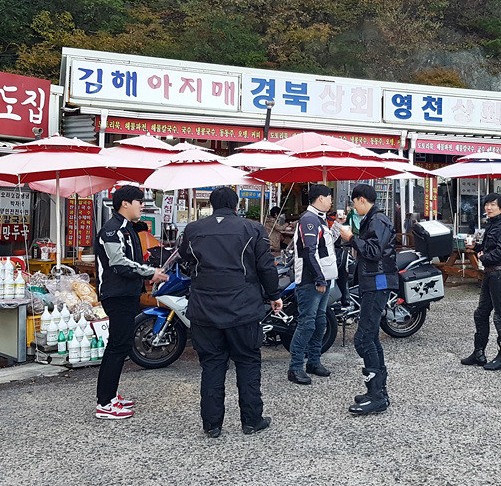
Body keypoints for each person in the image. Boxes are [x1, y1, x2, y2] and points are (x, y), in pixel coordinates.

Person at [179, 186, 282, 438]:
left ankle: (212, 424)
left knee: (212, 365)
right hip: (243, 307)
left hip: (204, 308)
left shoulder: (194, 230)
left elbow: (185, 262)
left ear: (212, 205)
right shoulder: (252, 229)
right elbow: (266, 266)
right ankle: (251, 419)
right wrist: (274, 295)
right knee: (247, 361)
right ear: (237, 205)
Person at [94, 185, 168, 420]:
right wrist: (149, 272)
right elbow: (119, 263)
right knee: (117, 346)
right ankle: (104, 403)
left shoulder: (127, 229)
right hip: (116, 295)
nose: (142, 205)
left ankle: (111, 396)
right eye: (139, 201)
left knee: (121, 345)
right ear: (124, 203)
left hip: (128, 293)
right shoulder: (112, 230)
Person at [338, 183, 397, 415]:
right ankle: (378, 390)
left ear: (362, 200)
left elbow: (373, 251)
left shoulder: (377, 220)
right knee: (370, 336)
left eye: (354, 202)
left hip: (378, 282)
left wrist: (352, 237)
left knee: (363, 339)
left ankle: (377, 395)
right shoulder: (372, 219)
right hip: (373, 281)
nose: (353, 206)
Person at [288, 184, 337, 385]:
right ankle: (295, 367)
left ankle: (314, 361)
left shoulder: (320, 219)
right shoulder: (309, 220)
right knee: (307, 324)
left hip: (322, 278)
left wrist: (335, 229)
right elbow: (309, 252)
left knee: (320, 322)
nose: (331, 201)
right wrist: (318, 279)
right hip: (311, 281)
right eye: (329, 197)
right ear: (320, 198)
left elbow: (325, 247)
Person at [461, 192, 501, 372]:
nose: (488, 207)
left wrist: (484, 256)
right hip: (490, 274)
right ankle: (479, 352)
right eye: (487, 204)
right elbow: (488, 248)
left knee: (500, 316)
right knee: (481, 313)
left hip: (500, 274)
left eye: (493, 204)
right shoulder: (491, 224)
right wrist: (475, 247)